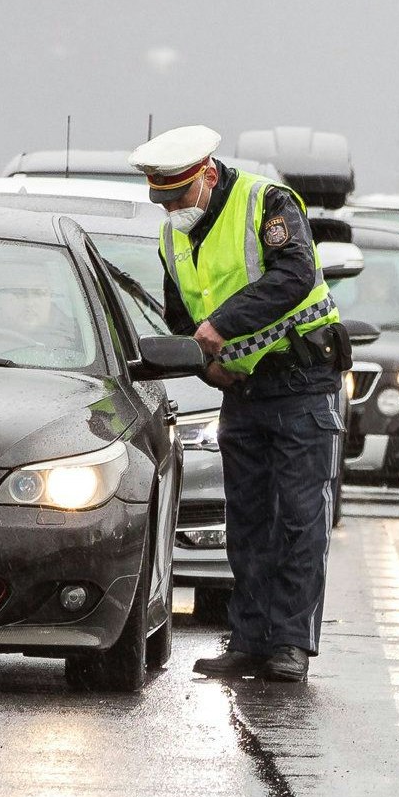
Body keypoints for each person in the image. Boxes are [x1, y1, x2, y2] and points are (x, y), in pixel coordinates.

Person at [130, 124, 350, 681]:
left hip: (302, 380)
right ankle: (250, 639)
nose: (173, 208)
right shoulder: (171, 236)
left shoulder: (267, 202)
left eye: (179, 196)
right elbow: (181, 316)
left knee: (300, 518)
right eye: (163, 199)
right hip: (242, 391)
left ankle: (291, 645)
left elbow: (295, 275)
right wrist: (208, 366)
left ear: (206, 175)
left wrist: (221, 327)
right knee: (248, 522)